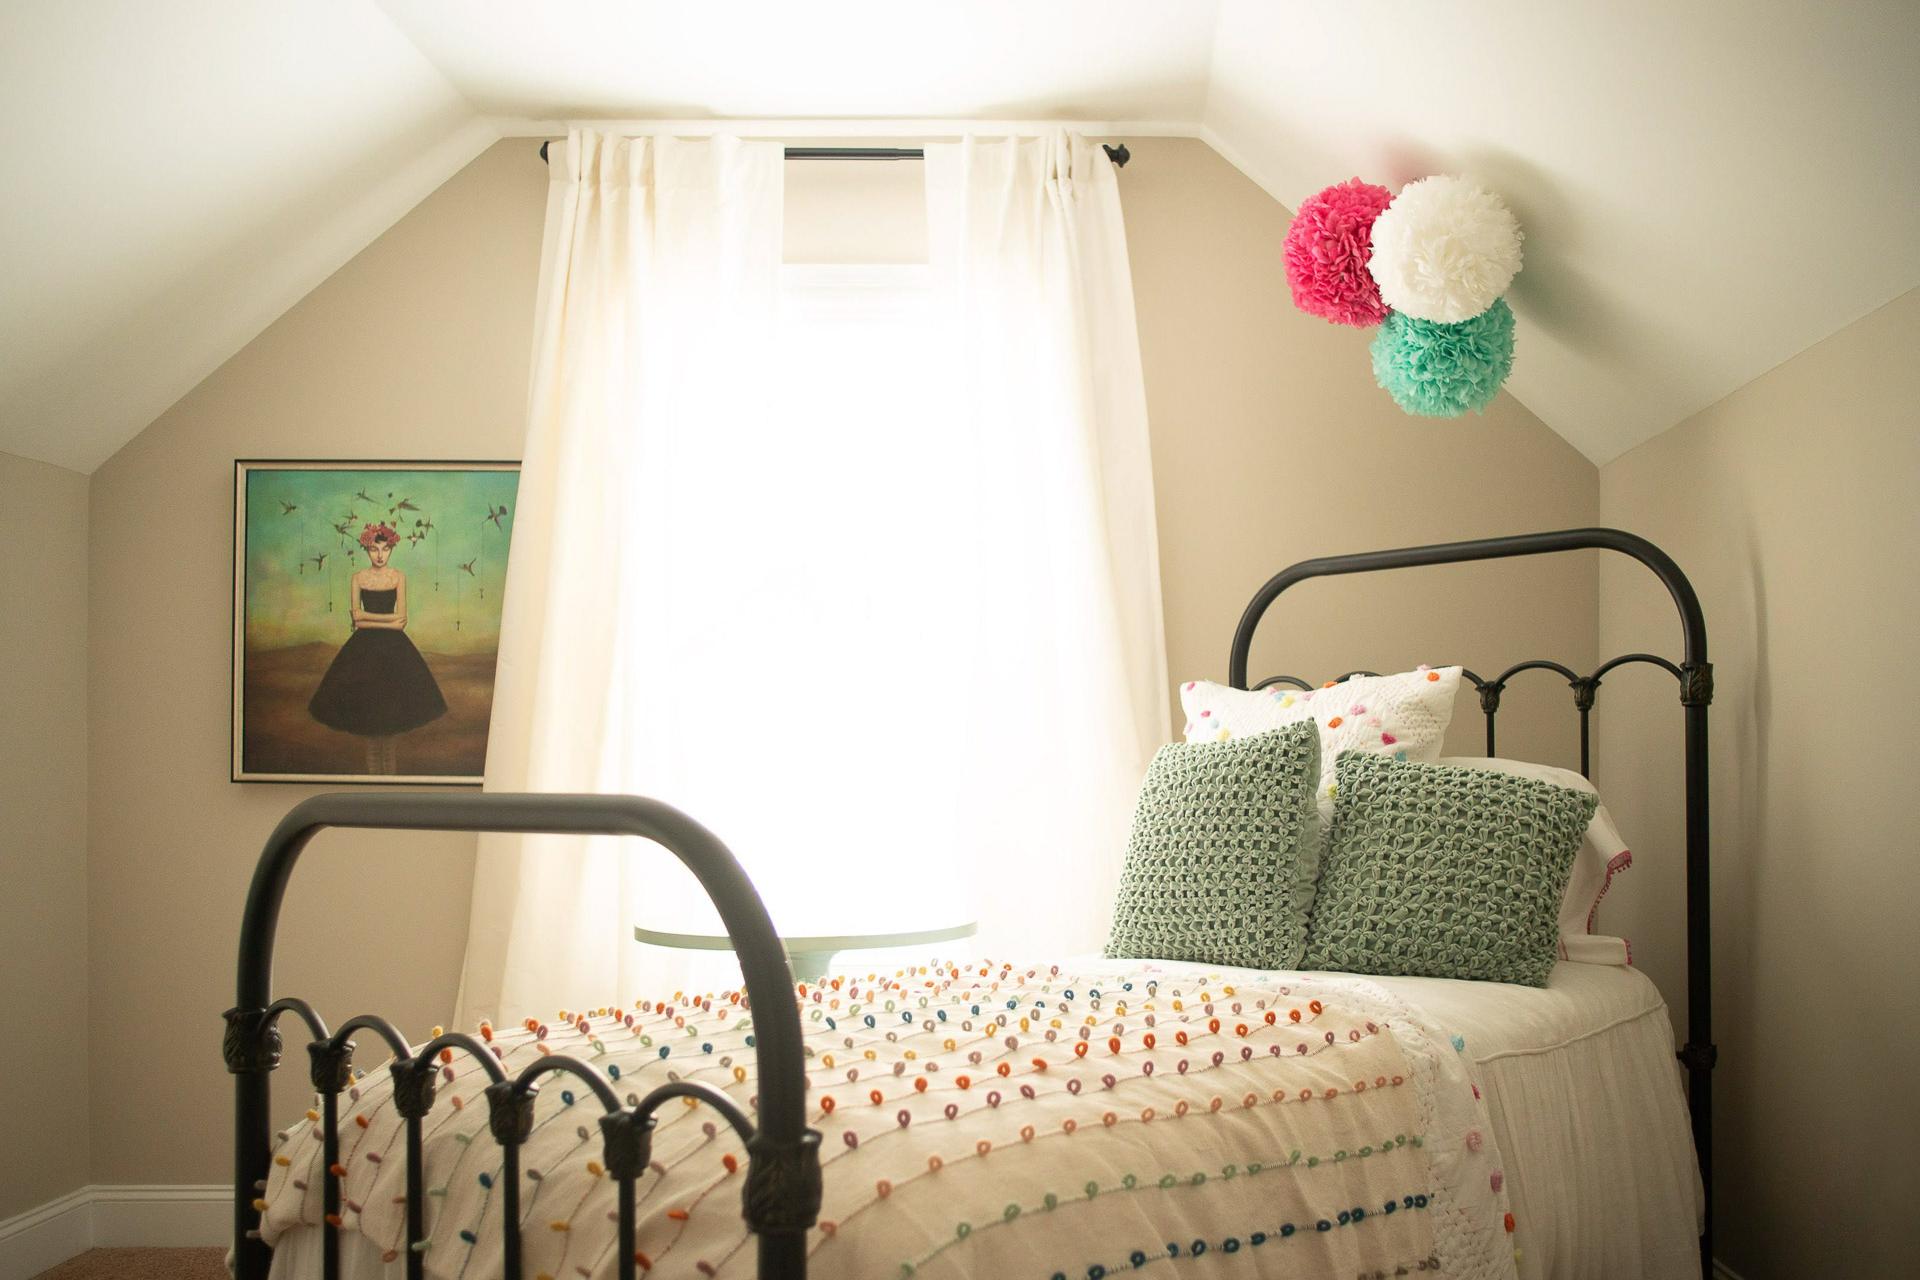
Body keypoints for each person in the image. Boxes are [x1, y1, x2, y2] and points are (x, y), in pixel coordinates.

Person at [308, 522, 447, 773]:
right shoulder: (358, 578)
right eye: (374, 549)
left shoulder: (398, 577)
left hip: (395, 655)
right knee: (371, 732)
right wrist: (385, 619)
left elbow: (401, 622)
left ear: (391, 549)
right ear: (366, 550)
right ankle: (372, 788)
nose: (380, 555)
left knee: (390, 732)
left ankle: (389, 793)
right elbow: (357, 621)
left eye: (385, 549)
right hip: (363, 655)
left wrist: (370, 617)